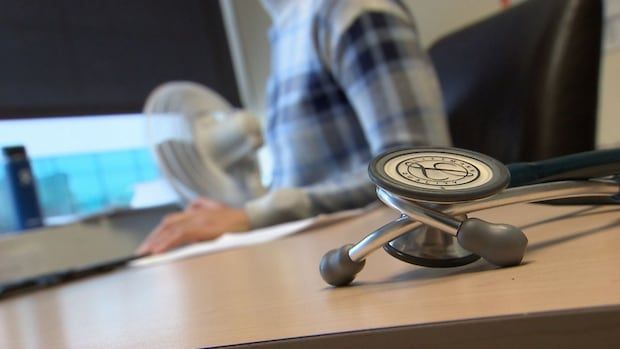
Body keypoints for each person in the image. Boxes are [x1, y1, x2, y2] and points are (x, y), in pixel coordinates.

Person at [137, 0, 451, 255]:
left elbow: (419, 170)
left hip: (377, 259)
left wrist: (256, 215)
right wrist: (236, 214)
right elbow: (310, 183)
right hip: (315, 257)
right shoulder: (286, 30)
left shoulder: (350, 10)